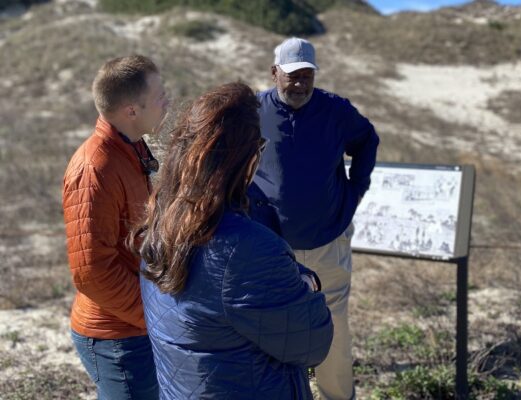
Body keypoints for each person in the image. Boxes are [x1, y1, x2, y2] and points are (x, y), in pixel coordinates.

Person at [134, 82, 334, 399]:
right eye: (259, 148)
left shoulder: (159, 223)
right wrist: (307, 287)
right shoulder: (247, 249)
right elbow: (312, 344)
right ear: (246, 160)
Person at [254, 37, 380, 400]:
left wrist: (356, 190)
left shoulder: (336, 110)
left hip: (327, 241)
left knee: (333, 327)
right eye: (292, 75)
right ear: (274, 72)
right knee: (275, 328)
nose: (299, 83)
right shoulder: (253, 111)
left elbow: (367, 141)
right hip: (271, 246)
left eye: (306, 75)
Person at [62, 55, 168, 399]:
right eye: (159, 96)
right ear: (131, 110)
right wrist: (154, 315)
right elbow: (91, 272)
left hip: (134, 327)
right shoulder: (96, 169)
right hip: (116, 338)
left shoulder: (130, 148)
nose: (167, 101)